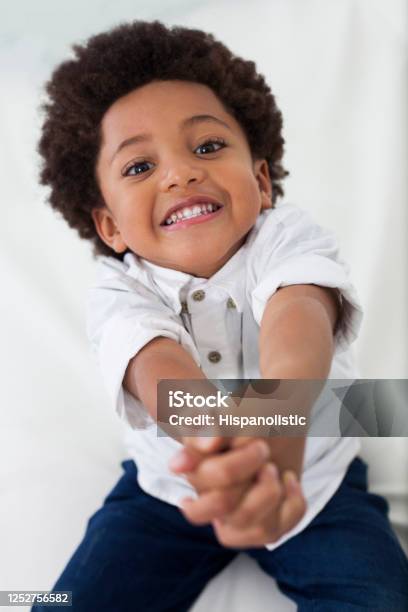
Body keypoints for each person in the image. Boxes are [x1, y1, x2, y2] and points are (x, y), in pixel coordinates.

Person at [33, 20, 408, 612]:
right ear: (109, 226)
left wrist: (274, 436)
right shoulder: (119, 291)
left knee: (383, 598)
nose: (180, 172)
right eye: (139, 167)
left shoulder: (287, 239)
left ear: (260, 180)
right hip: (170, 490)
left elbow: (301, 314)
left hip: (313, 480)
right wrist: (224, 450)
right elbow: (158, 371)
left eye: (207, 146)